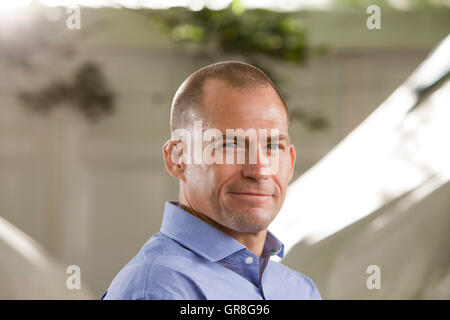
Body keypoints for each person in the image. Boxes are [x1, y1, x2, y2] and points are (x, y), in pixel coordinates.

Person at [101, 61, 322, 300]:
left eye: (272, 146)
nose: (259, 169)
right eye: (230, 145)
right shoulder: (157, 288)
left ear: (290, 161)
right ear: (178, 158)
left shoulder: (299, 290)